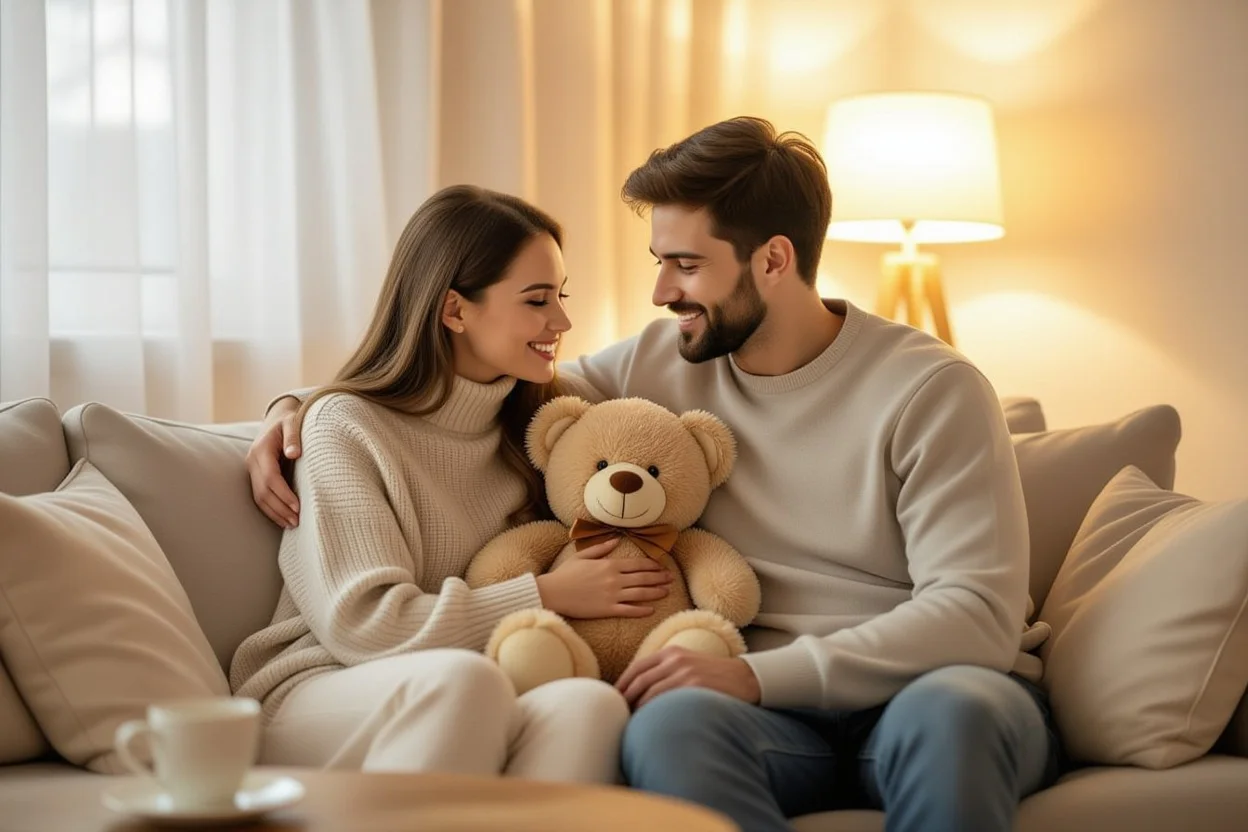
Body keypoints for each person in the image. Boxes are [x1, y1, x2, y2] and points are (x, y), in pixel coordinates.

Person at [251, 119, 1061, 830]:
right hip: (764, 710)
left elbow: (975, 616)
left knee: (954, 716)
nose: (660, 291)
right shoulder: (656, 363)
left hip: (930, 687)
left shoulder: (931, 389)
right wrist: (300, 407)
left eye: (684, 264)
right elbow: (459, 385)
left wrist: (751, 672)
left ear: (774, 260)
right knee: (668, 729)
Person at [229, 185, 674, 782]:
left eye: (561, 297)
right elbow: (363, 625)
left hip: (472, 681)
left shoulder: (547, 417)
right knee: (465, 681)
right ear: (455, 310)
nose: (563, 321)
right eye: (537, 300)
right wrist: (549, 594)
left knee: (588, 704)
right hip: (321, 684)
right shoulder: (345, 427)